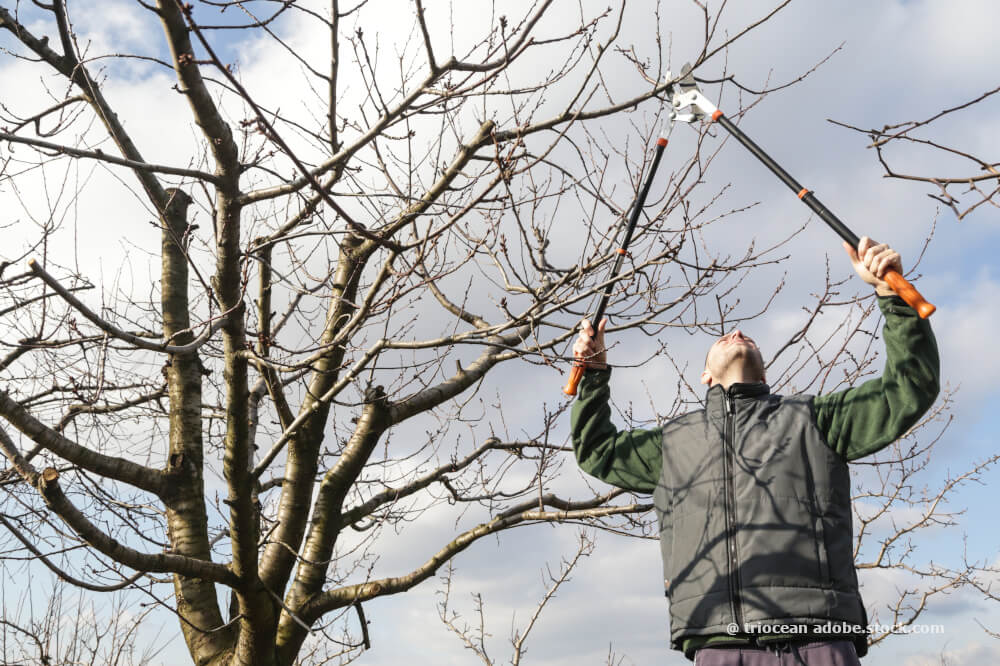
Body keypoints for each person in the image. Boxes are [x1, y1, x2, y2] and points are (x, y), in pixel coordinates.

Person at [570, 238, 939, 665]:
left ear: (764, 369)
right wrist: (593, 375)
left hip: (819, 640)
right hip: (721, 646)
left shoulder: (814, 419)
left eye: (748, 337)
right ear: (705, 375)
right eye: (723, 336)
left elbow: (908, 389)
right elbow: (596, 449)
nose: (738, 332)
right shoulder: (673, 444)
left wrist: (890, 295)